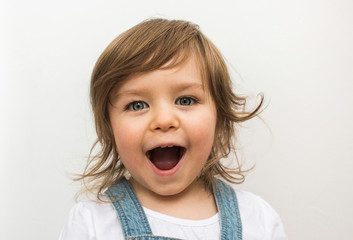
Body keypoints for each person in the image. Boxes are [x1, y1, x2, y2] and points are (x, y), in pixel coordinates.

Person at [59, 18, 287, 240]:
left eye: (186, 100)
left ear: (220, 119)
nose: (164, 120)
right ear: (110, 129)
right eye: (138, 105)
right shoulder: (92, 223)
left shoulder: (258, 220)